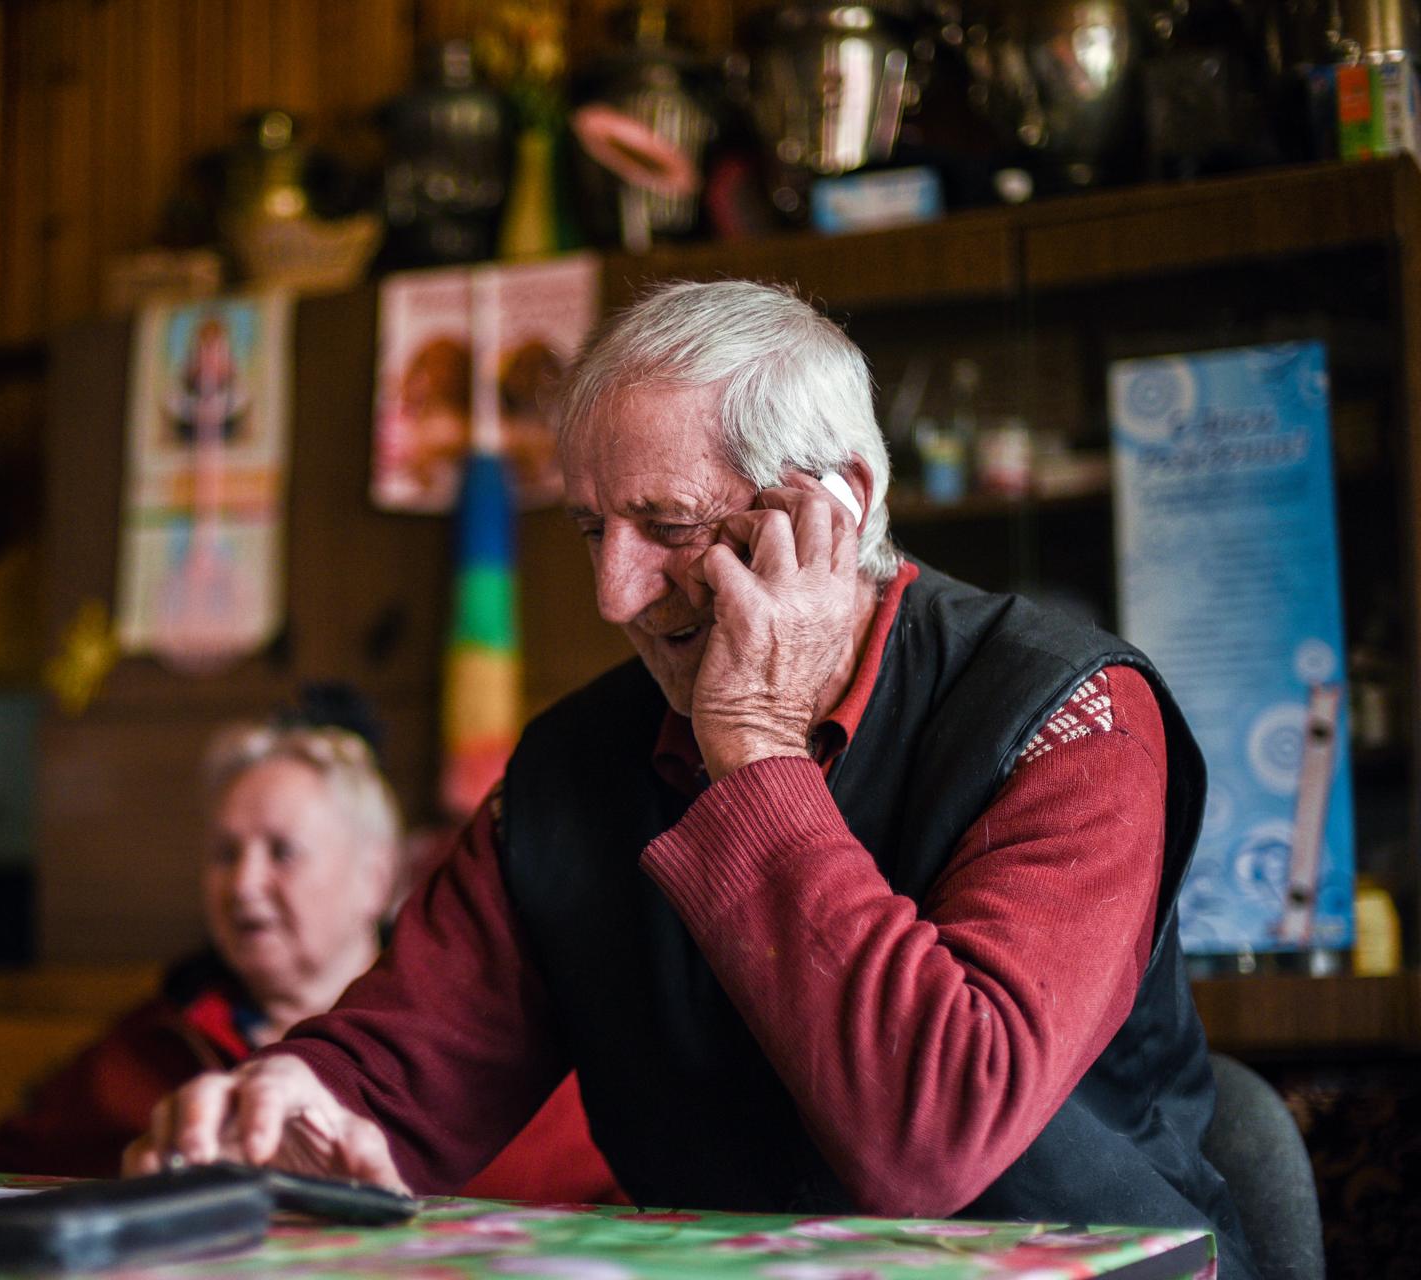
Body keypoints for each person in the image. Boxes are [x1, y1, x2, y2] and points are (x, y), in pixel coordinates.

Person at [135, 280, 1258, 1279]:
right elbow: (406, 1063)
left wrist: (756, 753)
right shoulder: (575, 763)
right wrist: (295, 1096)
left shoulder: (1072, 713)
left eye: (666, 525)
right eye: (591, 527)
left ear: (843, 500)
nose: (615, 593)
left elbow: (934, 1134)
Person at [0, 711, 619, 1201]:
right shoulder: (146, 1054)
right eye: (223, 854)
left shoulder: (501, 1053)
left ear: (378, 875)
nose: (242, 886)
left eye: (281, 853)